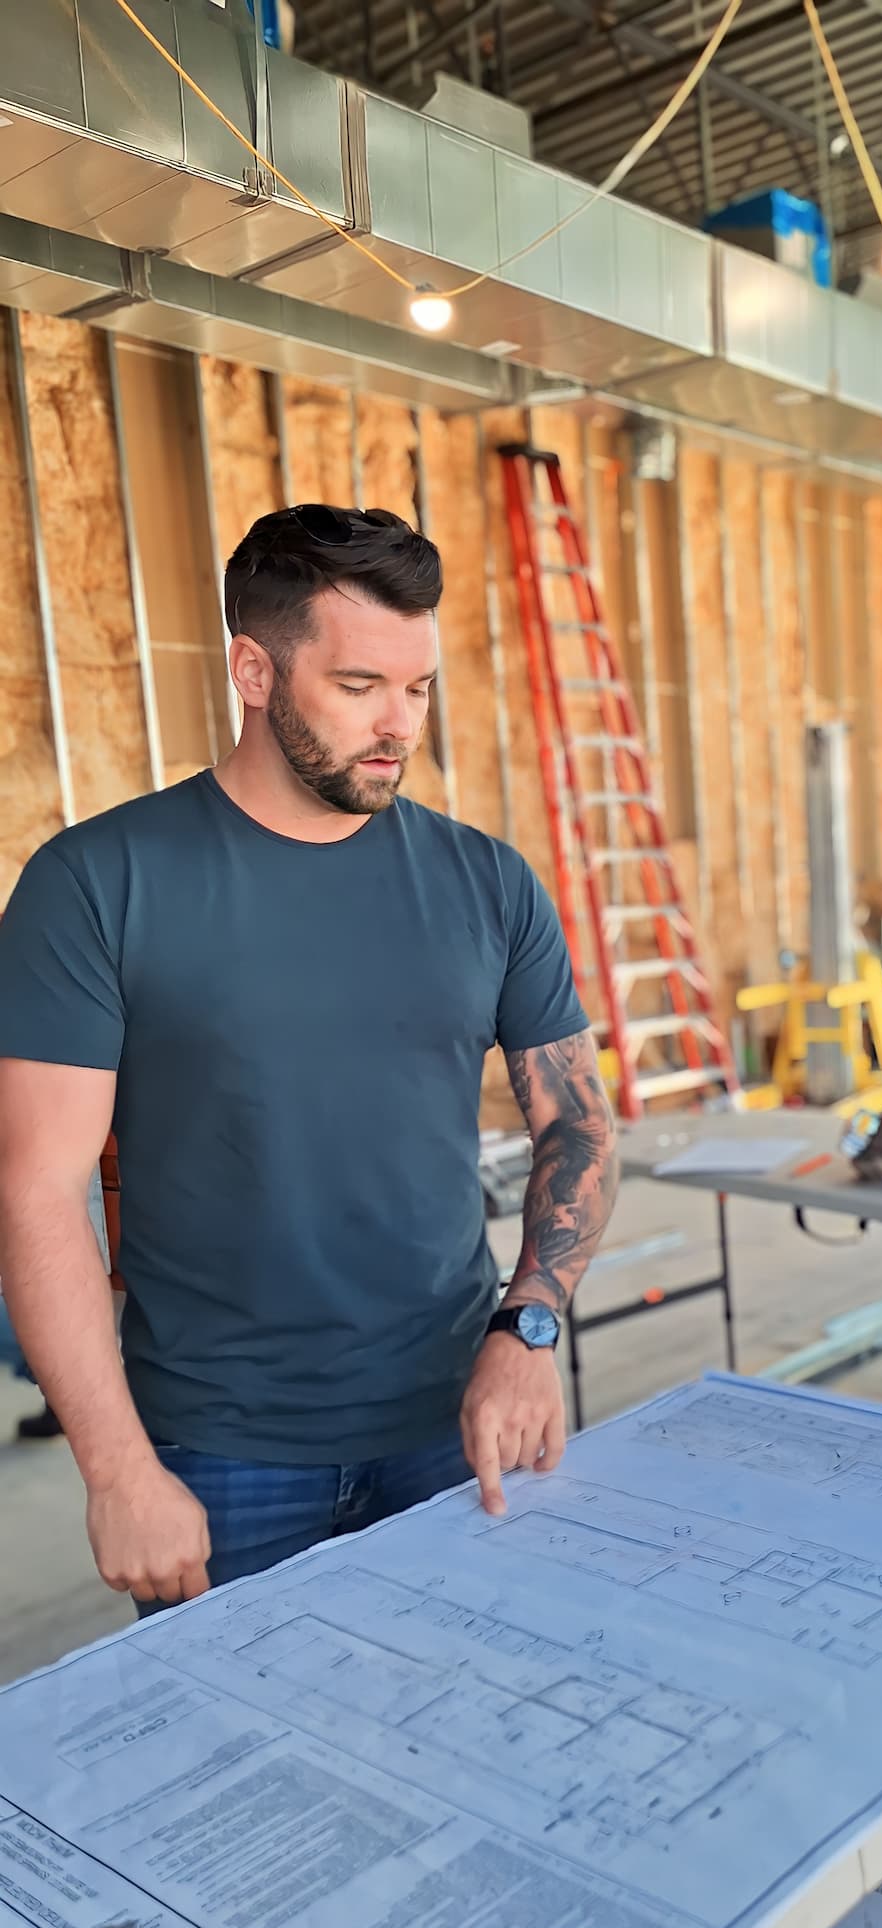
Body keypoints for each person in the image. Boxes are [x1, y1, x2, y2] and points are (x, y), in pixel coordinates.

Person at [0, 503, 618, 1612]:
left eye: (419, 687)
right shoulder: (98, 883)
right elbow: (39, 1188)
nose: (399, 724)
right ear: (253, 669)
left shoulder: (487, 882)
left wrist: (528, 1329)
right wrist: (116, 1466)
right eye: (358, 685)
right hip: (218, 1450)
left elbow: (578, 1125)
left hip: (454, 1421)